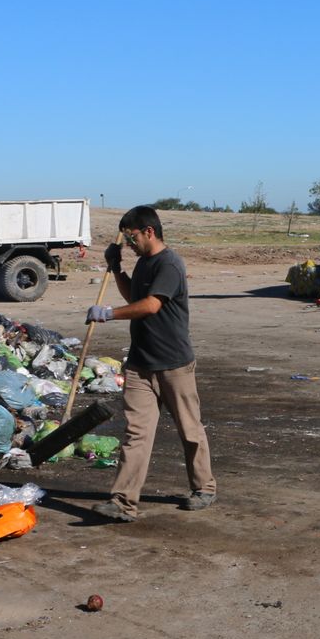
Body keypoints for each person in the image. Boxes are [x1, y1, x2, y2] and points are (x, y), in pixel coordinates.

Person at [84, 205, 216, 520]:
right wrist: (117, 269)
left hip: (174, 364)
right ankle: (123, 503)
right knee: (136, 434)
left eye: (131, 238)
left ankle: (205, 488)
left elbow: (152, 305)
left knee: (190, 430)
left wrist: (108, 313)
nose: (129, 245)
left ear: (149, 232)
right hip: (141, 365)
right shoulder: (143, 263)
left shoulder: (169, 264)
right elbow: (135, 297)